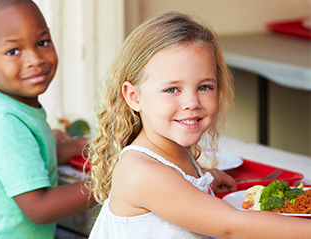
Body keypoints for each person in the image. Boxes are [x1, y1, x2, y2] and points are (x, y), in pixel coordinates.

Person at [87, 11, 311, 238]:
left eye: (204, 87)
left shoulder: (172, 155)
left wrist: (205, 177)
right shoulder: (140, 172)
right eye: (172, 89)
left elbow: (175, 187)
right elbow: (230, 226)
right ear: (134, 96)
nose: (192, 103)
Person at [0, 0, 97, 238]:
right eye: (13, 51)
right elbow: (39, 208)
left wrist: (76, 147)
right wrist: (112, 182)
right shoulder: (4, 119)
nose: (35, 59)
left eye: (42, 42)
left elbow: (22, 158)